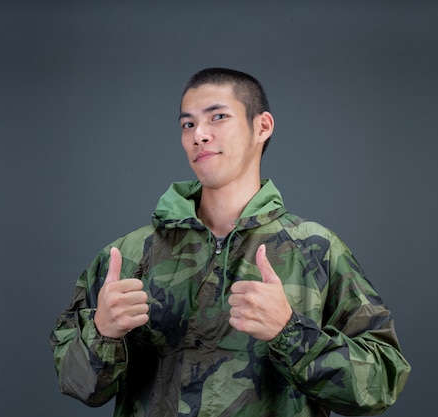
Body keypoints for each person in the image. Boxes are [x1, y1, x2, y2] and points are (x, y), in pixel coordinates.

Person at [50, 67, 410, 416]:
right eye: (188, 124)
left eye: (217, 117)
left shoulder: (315, 249)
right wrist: (102, 333)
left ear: (262, 127)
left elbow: (380, 386)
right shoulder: (128, 255)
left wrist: (290, 333)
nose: (199, 135)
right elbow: (77, 384)